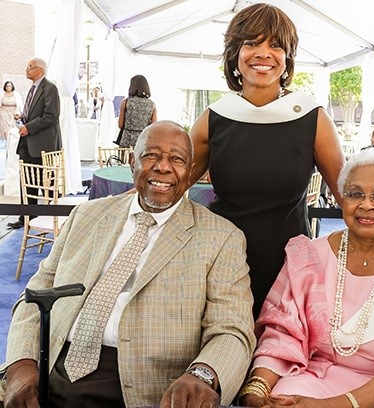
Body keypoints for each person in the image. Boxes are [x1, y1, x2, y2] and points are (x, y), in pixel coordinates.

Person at [0, 120, 256, 408]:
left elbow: (232, 330)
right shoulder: (86, 216)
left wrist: (202, 375)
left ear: (191, 171)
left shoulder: (221, 238)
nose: (162, 167)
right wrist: (20, 369)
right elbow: (33, 297)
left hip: (149, 391)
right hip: (52, 371)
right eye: (151, 155)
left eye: (177, 159)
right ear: (132, 161)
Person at [238, 148, 374, 408]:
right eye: (355, 194)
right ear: (341, 199)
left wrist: (327, 406)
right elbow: (282, 337)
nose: (366, 205)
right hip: (313, 374)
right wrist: (259, 388)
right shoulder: (308, 255)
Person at [190, 3, 346, 319]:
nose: (263, 53)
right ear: (235, 55)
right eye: (251, 43)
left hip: (289, 269)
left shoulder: (312, 117)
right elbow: (172, 184)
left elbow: (348, 194)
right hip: (223, 264)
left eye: (275, 45)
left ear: (287, 59)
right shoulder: (214, 118)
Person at [7, 57, 62, 230]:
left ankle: (41, 218)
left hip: (42, 144)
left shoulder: (50, 88)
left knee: (40, 182)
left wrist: (28, 127)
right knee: (26, 180)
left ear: (40, 70)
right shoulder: (32, 89)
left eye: (29, 67)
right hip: (26, 142)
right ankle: (26, 217)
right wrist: (22, 118)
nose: (26, 69)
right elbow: (34, 113)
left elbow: (51, 116)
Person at [117, 74, 157, 148]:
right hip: (143, 142)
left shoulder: (126, 102)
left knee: (125, 159)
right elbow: (153, 127)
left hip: (127, 141)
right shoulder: (152, 104)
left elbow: (120, 125)